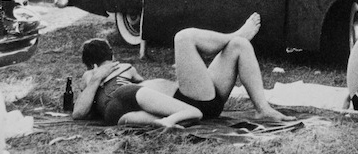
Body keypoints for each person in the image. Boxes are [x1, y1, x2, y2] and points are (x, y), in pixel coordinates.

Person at [73, 13, 293, 126]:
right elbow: (79, 112)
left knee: (240, 47)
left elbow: (141, 91)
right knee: (184, 37)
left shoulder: (125, 71)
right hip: (190, 101)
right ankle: (235, 34)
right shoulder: (92, 76)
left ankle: (262, 108)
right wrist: (96, 78)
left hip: (199, 98)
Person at [72, 39, 200, 128]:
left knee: (164, 120)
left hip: (112, 115)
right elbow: (142, 85)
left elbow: (78, 113)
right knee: (194, 112)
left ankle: (166, 122)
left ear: (88, 63)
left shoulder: (88, 75)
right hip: (126, 92)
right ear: (111, 55)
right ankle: (170, 120)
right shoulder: (125, 67)